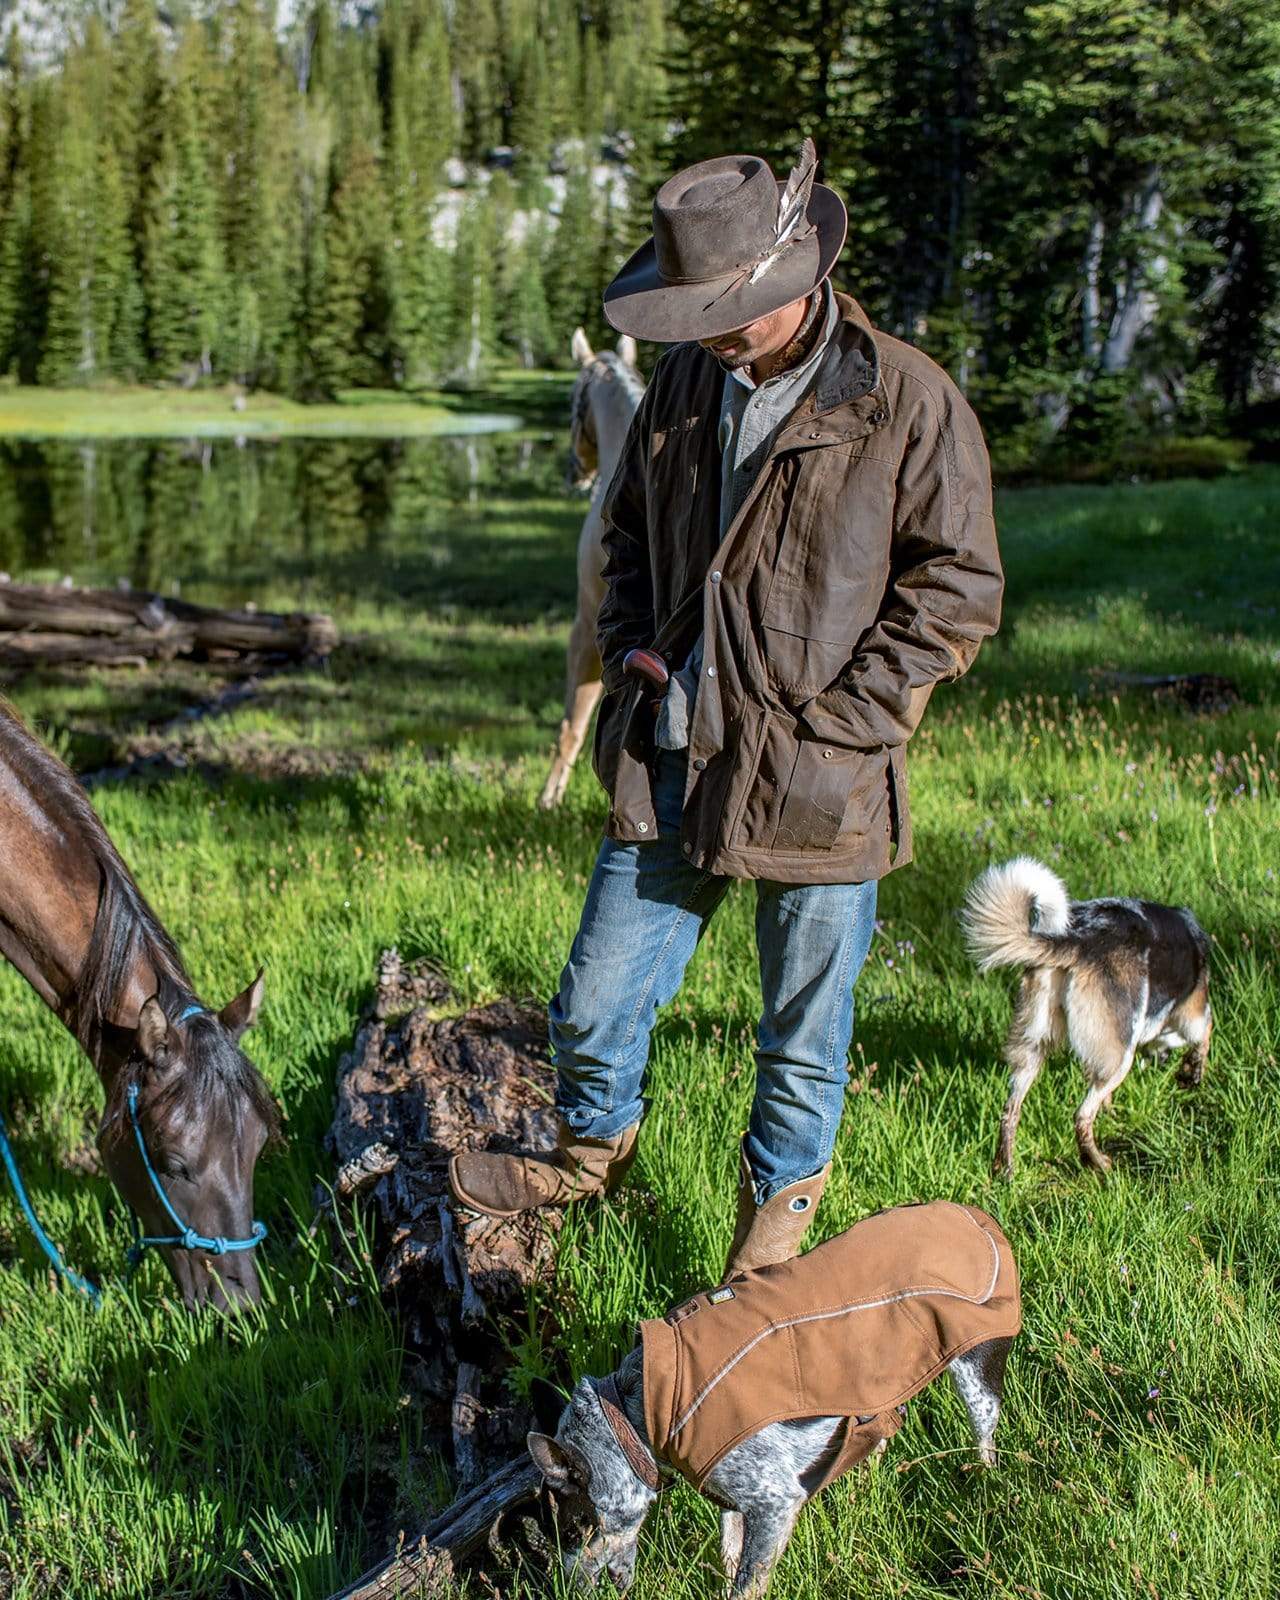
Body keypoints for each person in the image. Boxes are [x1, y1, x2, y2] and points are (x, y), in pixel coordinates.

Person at [449, 140, 1003, 1275]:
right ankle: (591, 1146)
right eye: (694, 311)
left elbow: (957, 587)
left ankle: (771, 1239)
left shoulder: (902, 397)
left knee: (801, 1039)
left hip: (822, 774)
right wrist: (634, 658)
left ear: (795, 276)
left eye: (727, 311)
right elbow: (626, 539)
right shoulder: (683, 386)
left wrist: (850, 717)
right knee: (592, 1005)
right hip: (671, 751)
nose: (708, 332)